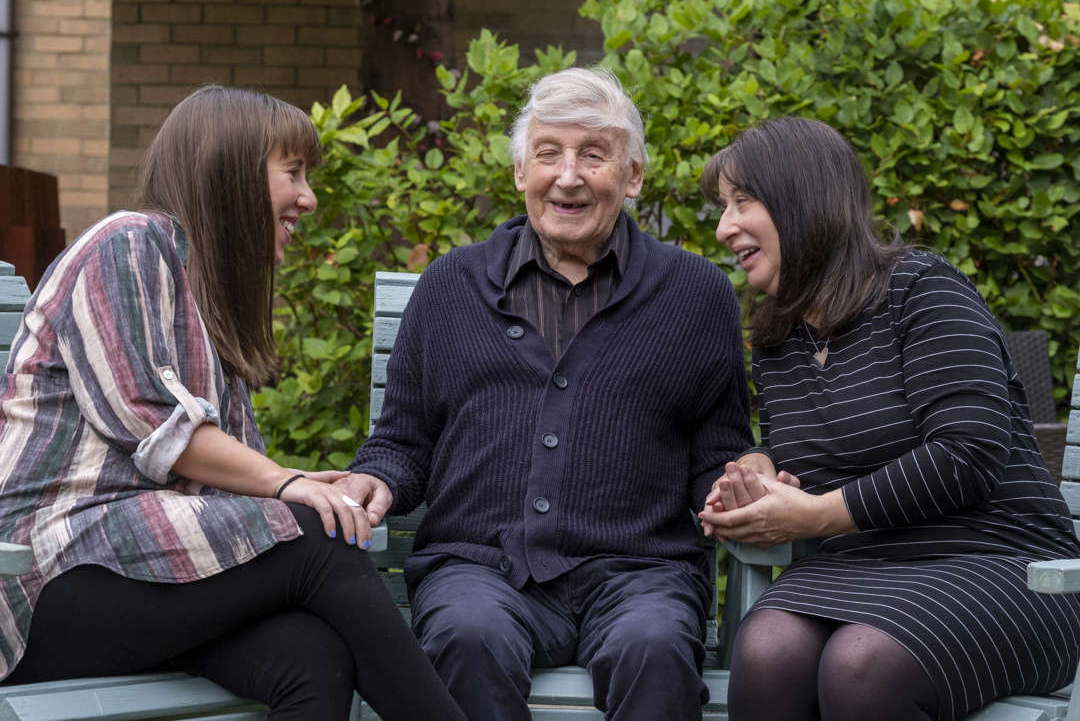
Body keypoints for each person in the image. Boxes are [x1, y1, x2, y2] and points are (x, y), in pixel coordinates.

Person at [0, 85, 467, 721]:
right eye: (293, 172)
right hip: (43, 580)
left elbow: (227, 486)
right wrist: (289, 485)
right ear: (232, 169)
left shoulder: (204, 293)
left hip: (145, 573)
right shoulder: (127, 244)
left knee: (311, 655)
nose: (308, 197)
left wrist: (300, 484)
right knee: (319, 537)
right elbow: (157, 428)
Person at [334, 66, 753, 720]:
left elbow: (719, 451)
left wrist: (734, 487)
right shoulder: (449, 286)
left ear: (633, 175)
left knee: (654, 646)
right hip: (480, 568)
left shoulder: (697, 295)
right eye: (549, 153)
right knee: (467, 636)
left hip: (640, 575)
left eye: (593, 155)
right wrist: (375, 481)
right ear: (519, 173)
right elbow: (403, 441)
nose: (568, 176)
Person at [697, 116, 1080, 721]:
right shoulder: (777, 341)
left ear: (804, 201)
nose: (724, 228)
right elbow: (808, 463)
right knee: (768, 649)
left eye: (742, 202)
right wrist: (761, 472)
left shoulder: (920, 289)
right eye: (722, 207)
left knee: (862, 664)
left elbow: (967, 453)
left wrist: (818, 514)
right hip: (862, 569)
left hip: (1004, 566)